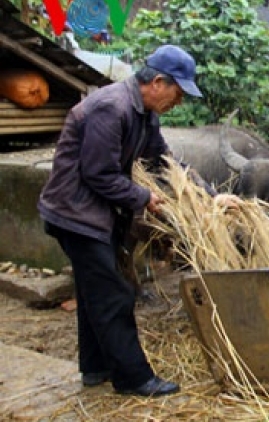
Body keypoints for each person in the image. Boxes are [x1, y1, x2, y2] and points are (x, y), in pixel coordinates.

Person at [38, 44, 239, 396]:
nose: (179, 102)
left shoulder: (145, 115)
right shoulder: (111, 108)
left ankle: (95, 368)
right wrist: (144, 198)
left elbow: (166, 163)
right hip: (75, 214)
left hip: (95, 213)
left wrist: (208, 195)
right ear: (158, 82)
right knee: (115, 294)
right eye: (178, 93)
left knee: (93, 294)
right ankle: (134, 378)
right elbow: (98, 174)